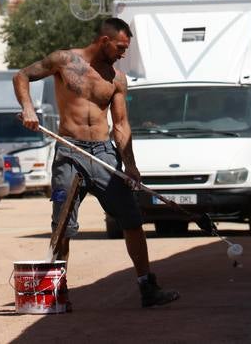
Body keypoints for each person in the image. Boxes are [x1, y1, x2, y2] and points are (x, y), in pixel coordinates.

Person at [13, 17, 179, 309]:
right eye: (120, 47)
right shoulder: (64, 61)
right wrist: (28, 108)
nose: (123, 53)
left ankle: (147, 287)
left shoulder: (116, 79)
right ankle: (56, 293)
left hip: (103, 153)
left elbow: (122, 124)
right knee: (62, 224)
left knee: (132, 220)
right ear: (104, 41)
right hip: (70, 151)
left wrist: (130, 165)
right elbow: (22, 76)